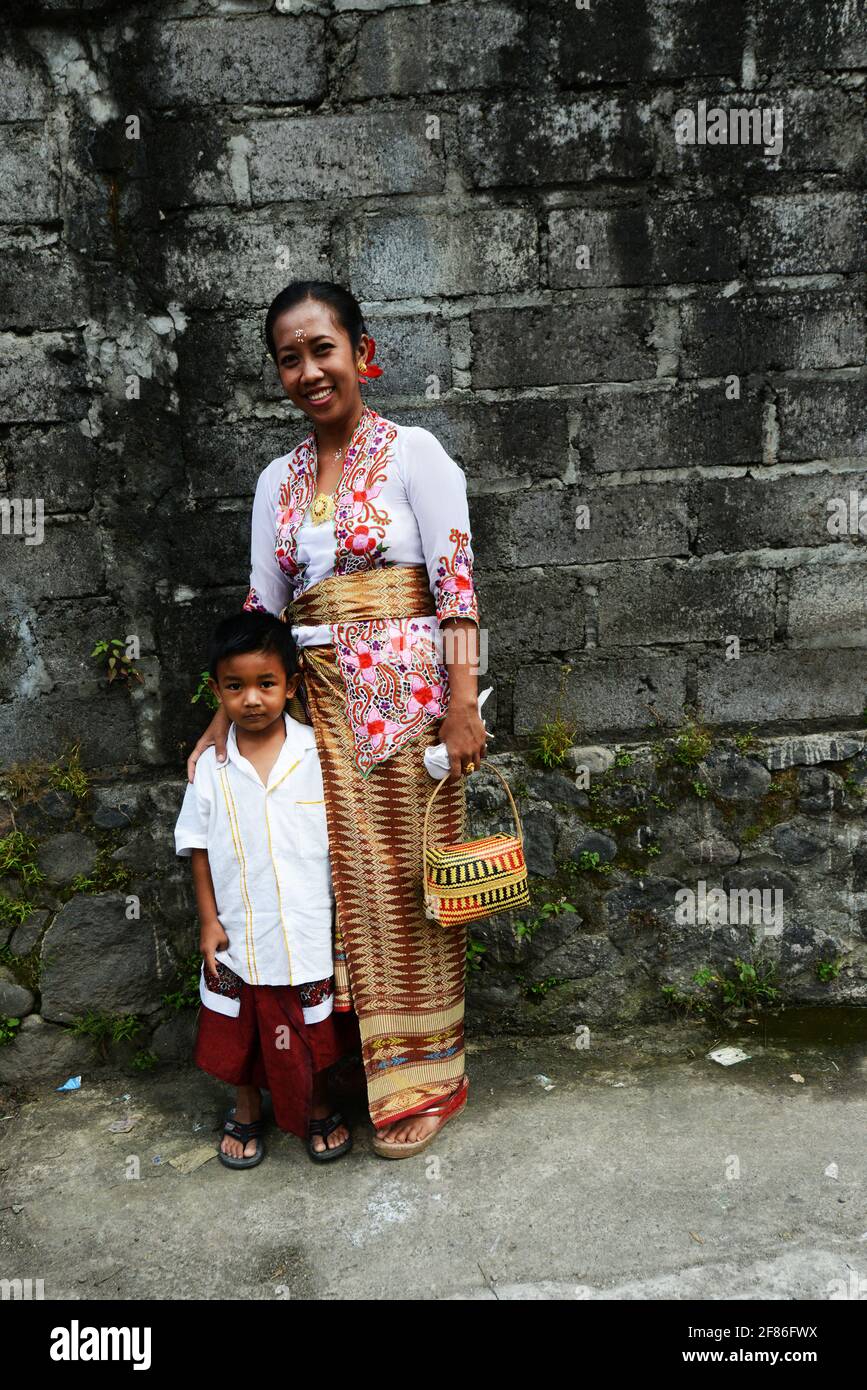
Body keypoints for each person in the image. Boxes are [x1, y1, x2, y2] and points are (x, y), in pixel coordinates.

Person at [187, 280, 487, 1159]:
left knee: (405, 887)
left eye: (323, 348)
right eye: (290, 357)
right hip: (309, 715)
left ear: (360, 350)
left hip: (405, 713)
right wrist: (221, 721)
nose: (309, 370)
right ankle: (347, 1070)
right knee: (328, 887)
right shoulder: (275, 481)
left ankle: (424, 1076)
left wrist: (462, 705)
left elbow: (456, 588)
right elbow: (261, 608)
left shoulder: (415, 455)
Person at [174, 609, 361, 1167]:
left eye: (266, 684)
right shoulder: (212, 765)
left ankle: (317, 1102)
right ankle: (247, 1105)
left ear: (292, 686)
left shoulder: (318, 756)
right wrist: (209, 921)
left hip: (306, 928)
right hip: (238, 930)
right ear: (217, 691)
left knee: (314, 1028)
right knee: (242, 1031)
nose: (251, 699)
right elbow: (198, 846)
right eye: (235, 687)